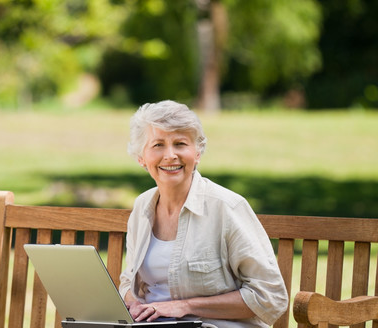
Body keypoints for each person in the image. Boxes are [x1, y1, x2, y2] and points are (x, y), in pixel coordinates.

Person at [119, 100, 288, 328]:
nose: (170, 155)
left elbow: (271, 297)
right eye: (158, 145)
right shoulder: (142, 206)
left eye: (180, 144)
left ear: (197, 153)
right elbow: (128, 281)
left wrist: (185, 306)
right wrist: (134, 303)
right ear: (141, 158)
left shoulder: (227, 207)